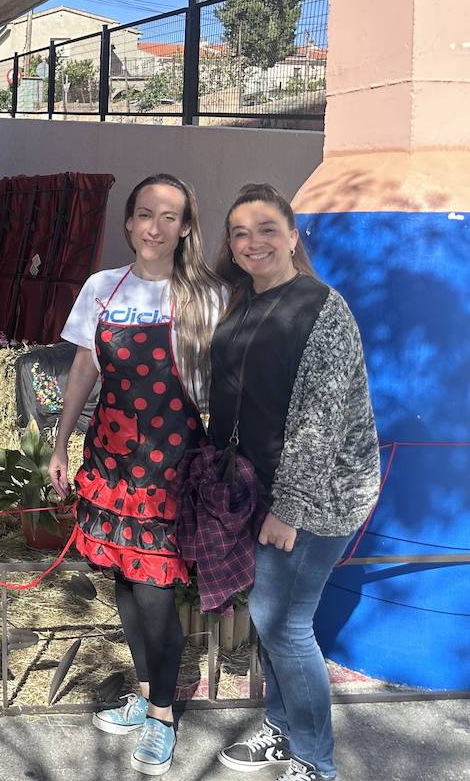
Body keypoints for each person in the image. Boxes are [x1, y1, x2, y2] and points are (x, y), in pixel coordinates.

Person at [50, 174, 224, 776]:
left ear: (185, 228)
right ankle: (148, 693)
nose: (155, 226)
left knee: (155, 591)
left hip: (171, 468)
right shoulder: (103, 287)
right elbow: (82, 367)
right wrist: (61, 440)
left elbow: (224, 383)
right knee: (125, 582)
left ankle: (164, 716)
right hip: (111, 459)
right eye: (145, 214)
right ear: (128, 222)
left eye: (169, 217)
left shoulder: (204, 296)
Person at [208, 184, 380, 781]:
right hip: (261, 488)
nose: (253, 242)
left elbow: (321, 421)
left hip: (315, 497)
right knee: (269, 616)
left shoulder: (320, 307)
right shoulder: (245, 301)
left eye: (265, 228)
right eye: (239, 232)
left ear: (292, 235)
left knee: (285, 623)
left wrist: (291, 508)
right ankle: (284, 731)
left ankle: (316, 761)